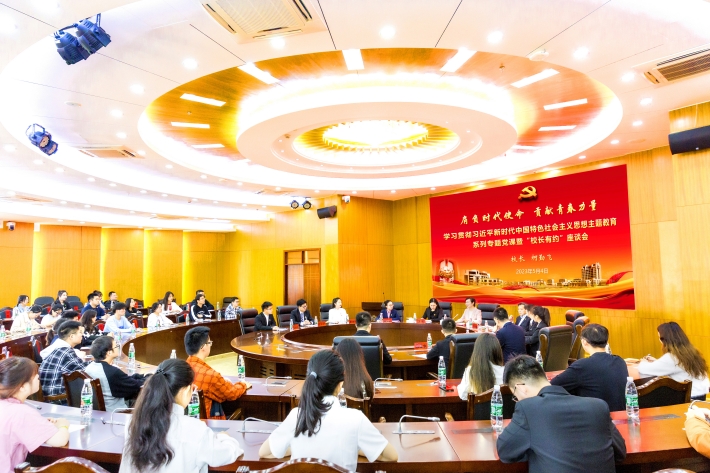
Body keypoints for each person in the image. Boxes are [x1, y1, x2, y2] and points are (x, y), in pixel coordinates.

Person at [259, 350, 397, 471]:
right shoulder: (355, 418)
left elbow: (265, 452)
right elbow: (391, 456)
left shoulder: (297, 415)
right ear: (340, 384)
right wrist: (356, 448)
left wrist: (294, 448)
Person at [496, 355, 626, 473]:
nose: (517, 400)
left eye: (515, 396)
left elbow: (505, 451)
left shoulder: (527, 409)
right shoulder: (598, 406)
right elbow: (620, 452)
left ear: (521, 388)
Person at [120, 358, 243, 473]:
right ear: (185, 391)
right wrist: (225, 438)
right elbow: (227, 454)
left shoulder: (133, 422)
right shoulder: (195, 429)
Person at [0, 357, 70, 473]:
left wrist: (39, 423)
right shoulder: (21, 412)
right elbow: (59, 440)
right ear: (22, 386)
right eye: (35, 376)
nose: (38, 377)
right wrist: (63, 425)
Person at [550, 324, 628, 411]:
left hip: (596, 417)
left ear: (584, 342)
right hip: (622, 415)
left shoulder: (582, 366)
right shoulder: (620, 361)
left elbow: (552, 386)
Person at [630, 321, 709, 400]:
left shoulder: (673, 357)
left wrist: (643, 361)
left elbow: (644, 369)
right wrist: (656, 361)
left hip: (690, 396)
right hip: (701, 394)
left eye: (660, 338)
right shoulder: (691, 352)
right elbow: (675, 367)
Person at [185, 326, 250, 419]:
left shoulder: (181, 368)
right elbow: (231, 393)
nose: (210, 345)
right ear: (203, 347)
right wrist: (243, 385)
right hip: (210, 422)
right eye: (209, 343)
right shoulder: (210, 375)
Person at [85, 336, 147, 411]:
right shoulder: (112, 372)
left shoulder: (89, 368)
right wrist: (149, 377)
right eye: (116, 346)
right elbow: (136, 385)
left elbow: (124, 380)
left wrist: (138, 376)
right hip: (115, 412)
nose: (118, 348)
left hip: (97, 411)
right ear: (109, 352)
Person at [38, 321, 88, 399]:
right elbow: (85, 371)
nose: (82, 335)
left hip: (50, 394)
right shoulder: (65, 351)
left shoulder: (58, 347)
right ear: (71, 336)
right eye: (80, 332)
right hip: (57, 398)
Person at [457, 333, 505, 400]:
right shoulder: (505, 371)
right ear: (497, 351)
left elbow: (463, 395)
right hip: (501, 406)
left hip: (477, 406)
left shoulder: (471, 370)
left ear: (477, 351)